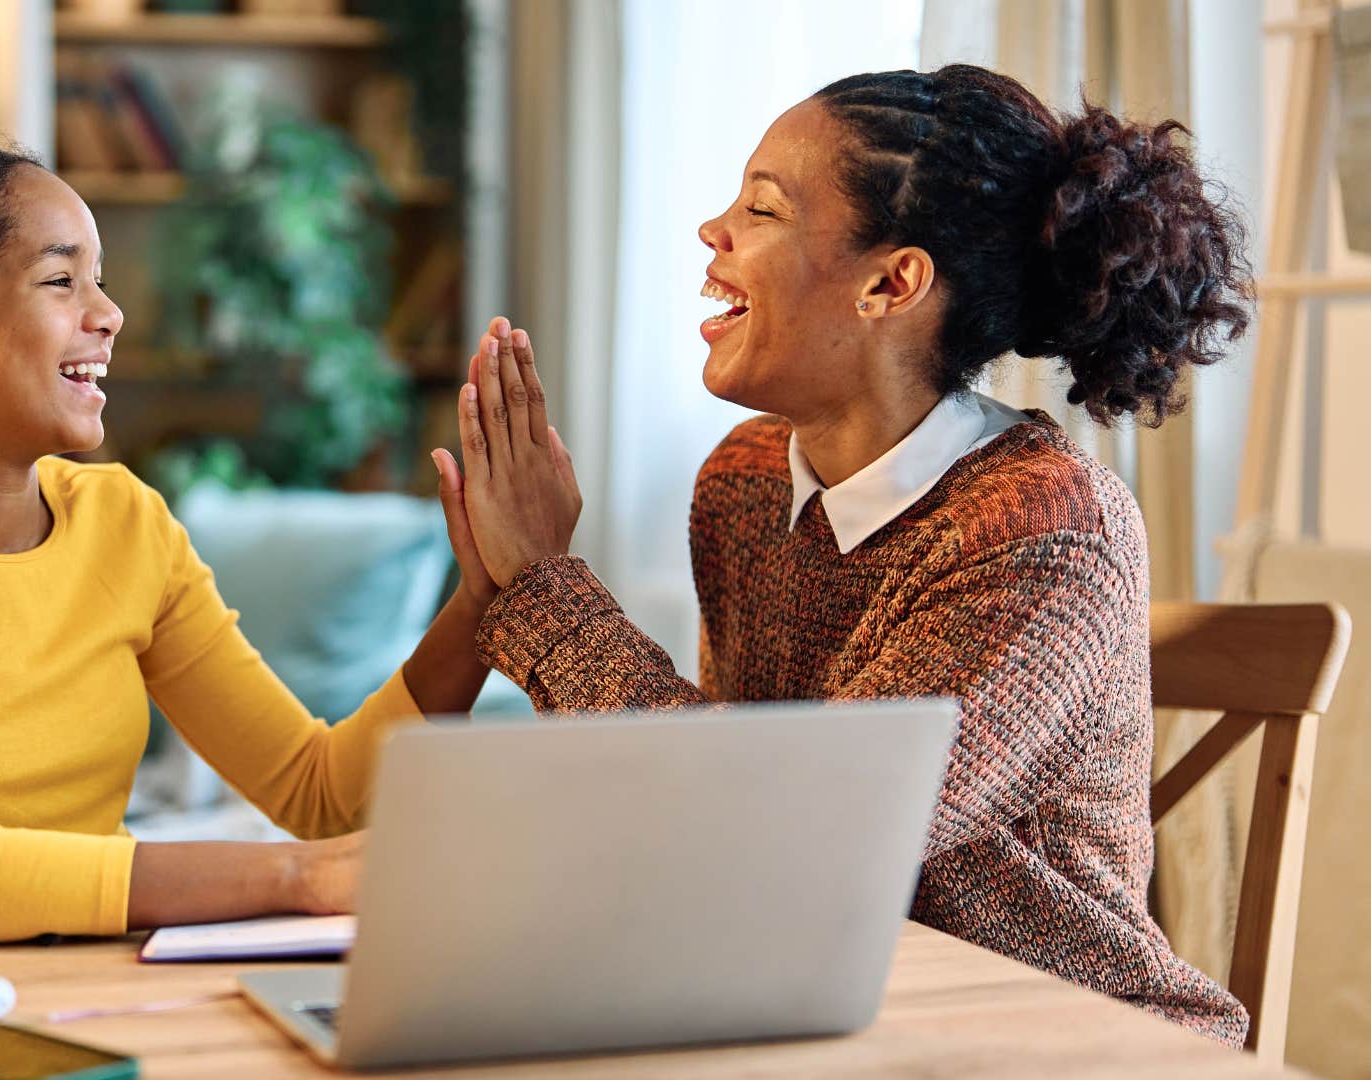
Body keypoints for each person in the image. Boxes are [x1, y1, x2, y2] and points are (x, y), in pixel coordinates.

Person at [436, 65, 1252, 1044]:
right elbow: (729, 816)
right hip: (828, 1021)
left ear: (891, 282)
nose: (714, 232)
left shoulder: (1045, 541)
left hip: (1062, 1042)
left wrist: (542, 591)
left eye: (763, 209)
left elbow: (793, 843)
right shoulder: (743, 482)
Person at [0, 141, 498, 944]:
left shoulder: (125, 521)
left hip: (117, 984)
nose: (109, 314)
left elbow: (322, 794)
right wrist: (296, 877)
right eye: (62, 280)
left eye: (100, 280)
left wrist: (483, 599)